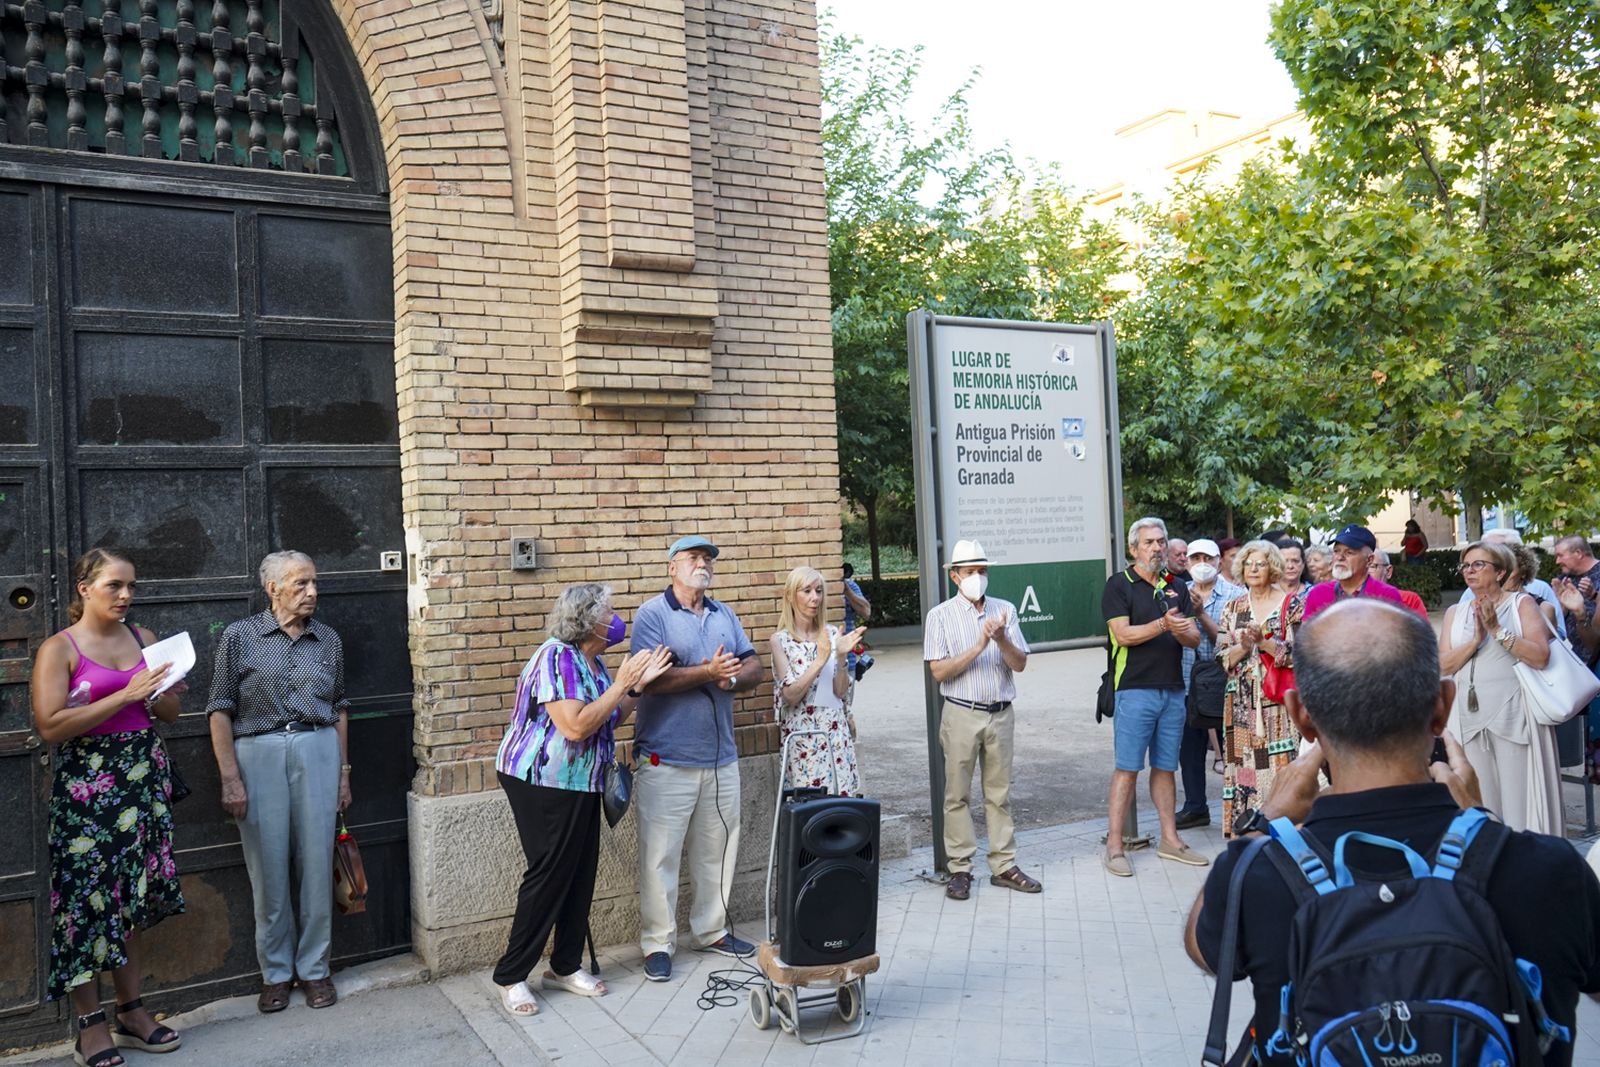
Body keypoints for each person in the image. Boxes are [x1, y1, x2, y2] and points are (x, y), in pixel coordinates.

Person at [1186, 599, 1600, 1067]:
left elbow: (1204, 951)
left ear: (1301, 715)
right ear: (1442, 707)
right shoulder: (1549, 869)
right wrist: (1482, 825)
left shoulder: (1255, 875)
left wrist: (1265, 822)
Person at [31, 549, 185, 1067]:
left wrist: (162, 691)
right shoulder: (60, 648)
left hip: (141, 784)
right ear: (84, 588)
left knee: (131, 903)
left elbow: (168, 710)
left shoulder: (143, 639)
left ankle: (131, 1011)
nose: (125, 596)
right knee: (84, 906)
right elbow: (50, 726)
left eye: (131, 587)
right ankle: (89, 1024)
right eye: (114, 586)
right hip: (86, 795)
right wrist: (125, 695)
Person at [492, 584, 672, 1016]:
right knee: (550, 873)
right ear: (588, 619)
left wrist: (635, 688)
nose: (616, 619)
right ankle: (512, 975)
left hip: (581, 780)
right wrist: (623, 683)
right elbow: (574, 726)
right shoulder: (557, 656)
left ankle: (565, 965)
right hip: (542, 778)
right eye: (609, 612)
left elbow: (610, 716)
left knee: (580, 872)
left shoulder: (594, 661)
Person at [207, 550, 351, 1013]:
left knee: (316, 861)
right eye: (301, 583)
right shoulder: (239, 636)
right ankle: (275, 973)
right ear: (273, 588)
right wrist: (230, 777)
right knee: (267, 868)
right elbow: (219, 709)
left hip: (318, 747)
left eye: (314, 583)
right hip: (259, 752)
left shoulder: (327, 638)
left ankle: (314, 969)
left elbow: (341, 706)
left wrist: (344, 773)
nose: (312, 592)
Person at [629, 536, 764, 982]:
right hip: (665, 759)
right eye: (693, 558)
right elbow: (649, 680)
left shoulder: (724, 613)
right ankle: (657, 943)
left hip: (721, 757)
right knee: (659, 857)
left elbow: (754, 666)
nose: (702, 565)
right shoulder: (653, 614)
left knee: (717, 851)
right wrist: (707, 671)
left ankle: (711, 931)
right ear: (672, 567)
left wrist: (728, 680)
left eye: (707, 559)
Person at [924, 539, 1040, 900]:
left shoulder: (1004, 610)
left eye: (982, 571)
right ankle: (960, 868)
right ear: (955, 576)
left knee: (999, 793)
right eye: (970, 571)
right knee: (956, 794)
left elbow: (1020, 663)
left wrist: (1002, 639)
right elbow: (939, 671)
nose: (977, 577)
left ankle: (1004, 864)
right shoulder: (940, 615)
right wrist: (978, 645)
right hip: (960, 712)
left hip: (1000, 713)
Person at [1100, 517, 1207, 877]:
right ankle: (1115, 846)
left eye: (1161, 541)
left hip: (1173, 690)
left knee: (1165, 768)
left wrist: (1180, 629)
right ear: (1134, 549)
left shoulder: (1176, 585)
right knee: (1127, 768)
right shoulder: (1119, 585)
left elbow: (1194, 638)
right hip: (1133, 689)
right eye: (1149, 543)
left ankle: (1170, 840)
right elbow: (1123, 635)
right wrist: (1163, 624)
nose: (1158, 548)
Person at [1440, 541, 1562, 834]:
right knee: (1481, 803)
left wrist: (1497, 630)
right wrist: (1473, 641)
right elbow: (1444, 665)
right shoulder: (1455, 613)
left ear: (1501, 571)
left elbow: (1540, 656)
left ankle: (1524, 868)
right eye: (1466, 565)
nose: (1470, 571)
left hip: (1513, 714)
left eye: (1479, 564)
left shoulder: (1522, 604)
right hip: (1467, 718)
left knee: (1518, 804)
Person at [1216, 540, 1304, 837]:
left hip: (1277, 703)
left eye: (1261, 563)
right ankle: (1246, 834)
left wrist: (1264, 642)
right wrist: (1244, 645)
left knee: (1281, 766)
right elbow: (1221, 656)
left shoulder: (1291, 604)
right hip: (1240, 702)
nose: (1253, 569)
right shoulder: (1233, 607)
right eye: (1249, 563)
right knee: (1245, 769)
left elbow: (1302, 655)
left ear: (1273, 568)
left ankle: (1283, 832)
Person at [771, 566, 867, 795]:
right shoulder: (780, 641)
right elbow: (791, 696)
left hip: (835, 736)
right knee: (810, 813)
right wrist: (821, 658)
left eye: (819, 590)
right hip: (803, 741)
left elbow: (841, 691)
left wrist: (842, 656)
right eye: (806, 591)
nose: (814, 597)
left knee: (842, 810)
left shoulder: (833, 634)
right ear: (790, 595)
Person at [1176, 538, 1244, 829]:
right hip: (1186, 682)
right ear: (1187, 562)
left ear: (1219, 561)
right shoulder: (1176, 592)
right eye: (1195, 558)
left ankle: (1240, 805)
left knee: (1234, 750)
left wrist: (1200, 612)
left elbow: (1228, 641)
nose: (1201, 564)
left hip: (1223, 682)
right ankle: (1195, 806)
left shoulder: (1236, 595)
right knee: (1189, 750)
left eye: (1208, 558)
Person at [1459, 528, 1566, 640]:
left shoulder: (1542, 598)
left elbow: (1549, 643)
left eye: (1509, 568)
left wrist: (1496, 630)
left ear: (1523, 571)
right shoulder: (1471, 593)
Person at [1300, 524, 1405, 621]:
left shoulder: (1386, 595)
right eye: (1336, 551)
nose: (1340, 557)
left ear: (1369, 560)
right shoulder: (1318, 594)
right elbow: (1307, 638)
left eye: (1349, 552)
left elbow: (1396, 639)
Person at [1371, 550, 1429, 620]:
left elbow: (1421, 630)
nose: (1365, 572)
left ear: (1388, 571)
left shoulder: (1409, 600)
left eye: (1372, 566)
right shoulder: (1354, 602)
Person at [840, 562, 874, 681]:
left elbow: (866, 612)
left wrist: (847, 590)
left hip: (849, 658)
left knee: (847, 699)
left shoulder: (850, 586)